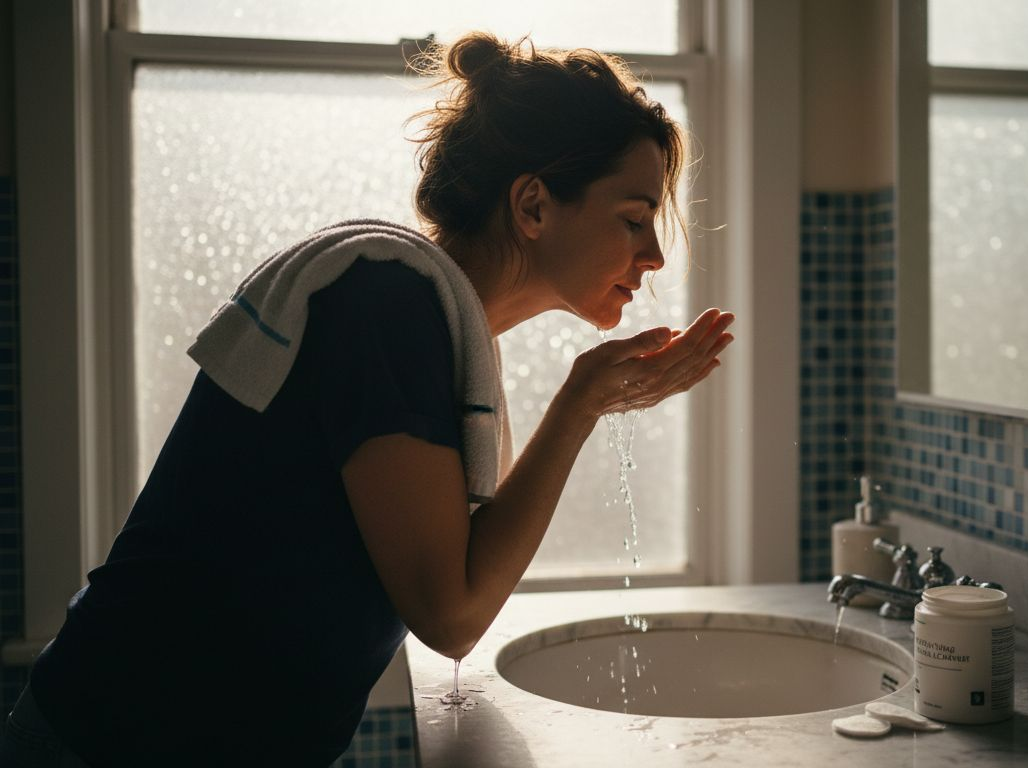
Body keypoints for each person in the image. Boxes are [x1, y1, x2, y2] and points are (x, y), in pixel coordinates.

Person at [1, 32, 733, 767]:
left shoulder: (440, 328)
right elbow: (451, 613)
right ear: (533, 205)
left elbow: (457, 576)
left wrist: (587, 404)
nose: (655, 255)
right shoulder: (387, 303)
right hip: (107, 744)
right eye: (634, 219)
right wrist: (577, 405)